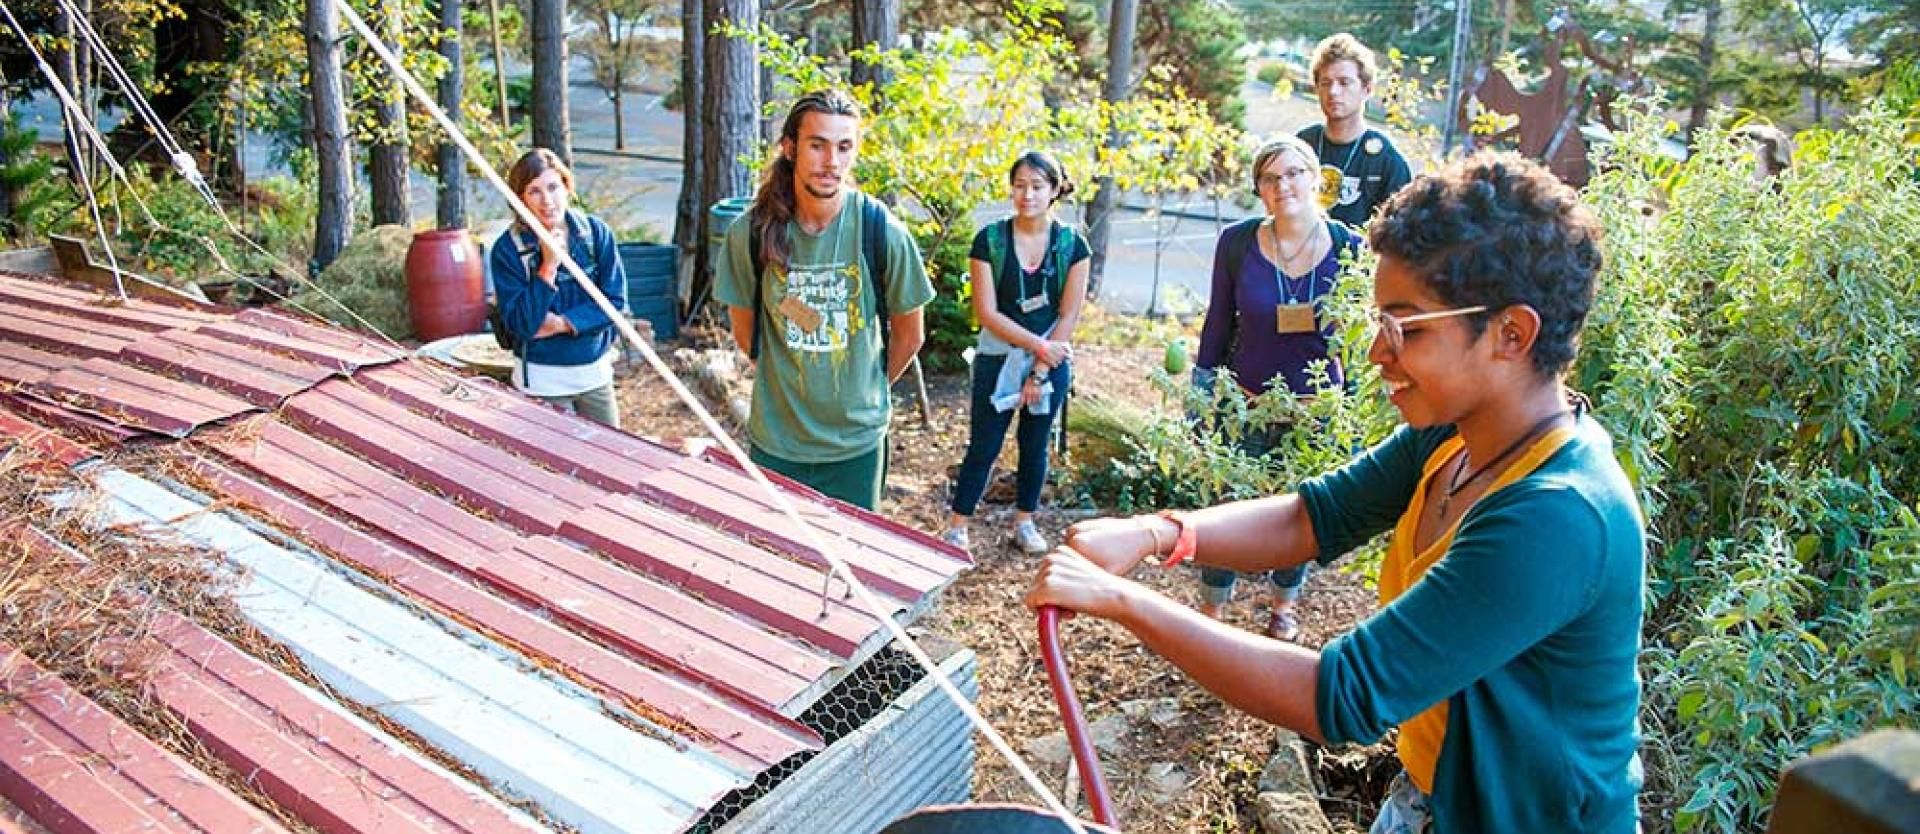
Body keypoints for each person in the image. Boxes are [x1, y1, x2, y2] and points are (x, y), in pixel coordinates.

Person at [1029, 152, 1644, 834]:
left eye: (1405, 327)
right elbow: (1314, 517)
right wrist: (1157, 534)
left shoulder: (1558, 514)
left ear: (1511, 333)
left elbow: (1344, 696)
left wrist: (1123, 600)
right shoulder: (1457, 437)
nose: (1378, 353)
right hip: (1431, 794)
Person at [715, 89, 935, 511]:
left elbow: (910, 335)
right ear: (790, 148)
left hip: (856, 446)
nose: (831, 161)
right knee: (779, 562)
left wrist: (863, 388)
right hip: (778, 442)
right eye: (817, 145)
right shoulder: (750, 233)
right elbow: (746, 336)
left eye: (844, 146)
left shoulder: (881, 231)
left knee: (851, 562)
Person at [1190, 135, 1362, 640]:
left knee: (1299, 513)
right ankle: (1213, 611)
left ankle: (1283, 604)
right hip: (1245, 405)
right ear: (1260, 190)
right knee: (1227, 509)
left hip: (1315, 413)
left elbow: (1356, 337)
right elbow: (1217, 324)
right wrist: (1203, 397)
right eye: (1270, 177)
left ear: (1315, 179)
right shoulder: (1239, 242)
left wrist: (1349, 412)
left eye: (1292, 173)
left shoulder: (1349, 246)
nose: (1283, 185)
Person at [942, 151, 1091, 556]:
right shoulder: (989, 241)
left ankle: (1025, 520)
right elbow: (986, 312)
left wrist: (1041, 369)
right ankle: (958, 525)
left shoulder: (1072, 246)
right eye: (1020, 185)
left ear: (1055, 190)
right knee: (985, 444)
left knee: (1035, 442)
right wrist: (1037, 346)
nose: (1027, 194)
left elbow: (1068, 313)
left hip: (1051, 361)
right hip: (998, 356)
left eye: (1038, 186)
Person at [489, 147, 627, 428]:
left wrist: (564, 323)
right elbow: (522, 324)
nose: (547, 201)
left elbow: (614, 302)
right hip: (542, 382)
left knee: (610, 460)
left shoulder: (594, 234)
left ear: (566, 187)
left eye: (553, 187)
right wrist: (548, 267)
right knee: (552, 467)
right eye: (534, 191)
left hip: (595, 376)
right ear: (520, 200)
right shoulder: (508, 250)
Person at [1297, 33, 1413, 228]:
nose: (1333, 92)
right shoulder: (1301, 146)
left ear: (1367, 89)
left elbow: (1397, 236)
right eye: (1325, 83)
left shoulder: (1387, 161)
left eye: (1344, 82)